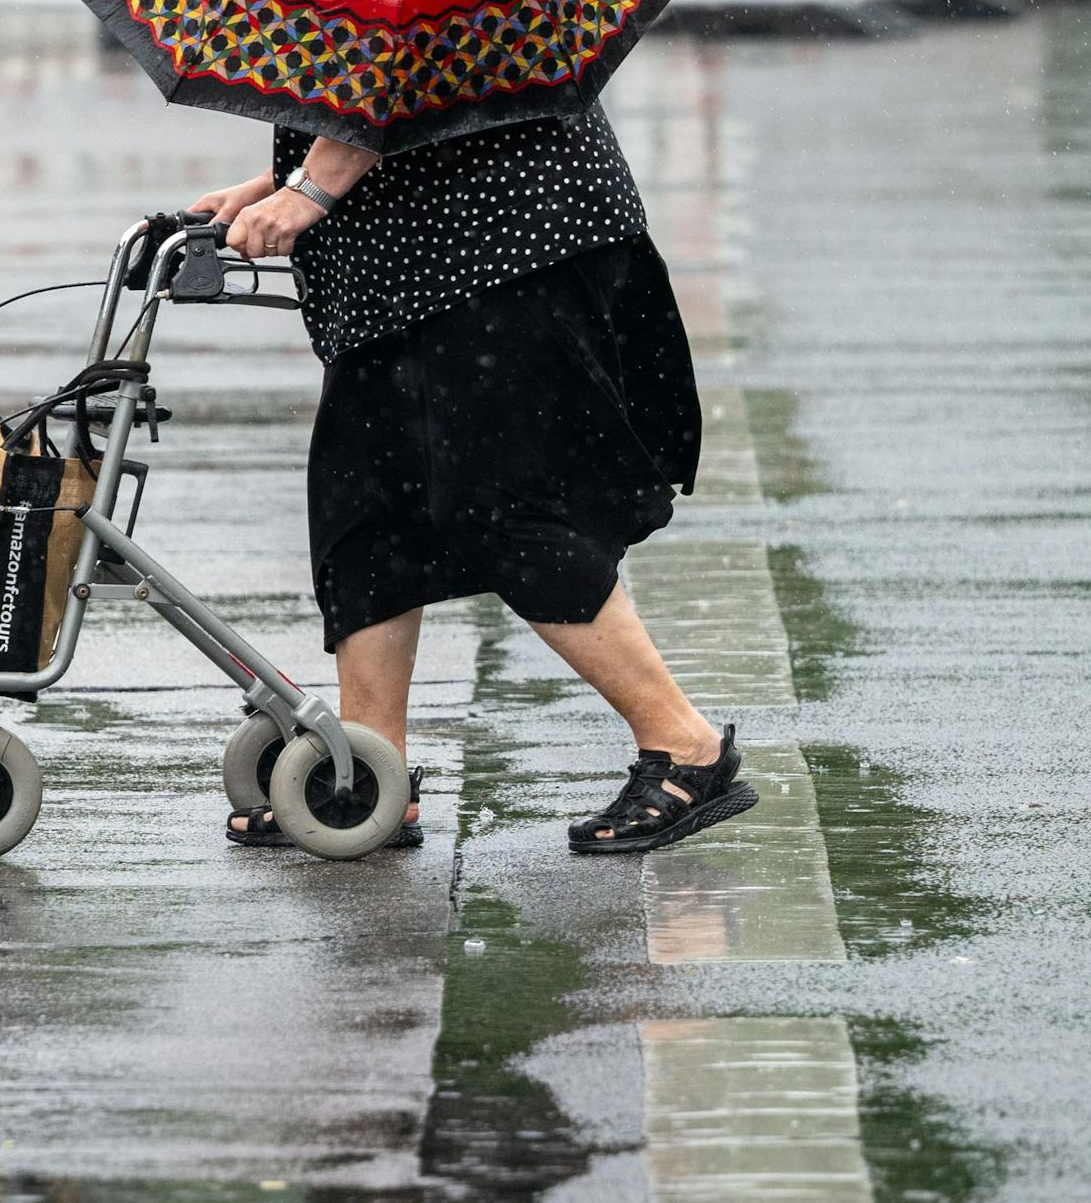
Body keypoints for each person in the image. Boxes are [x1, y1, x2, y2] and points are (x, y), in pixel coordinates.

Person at [192, 109, 757, 857]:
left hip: (501, 245)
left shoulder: (444, 22)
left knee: (501, 505)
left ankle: (684, 743)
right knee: (366, 514)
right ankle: (370, 775)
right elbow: (393, 102)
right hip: (403, 262)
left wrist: (311, 191)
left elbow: (414, 72)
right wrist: (279, 181)